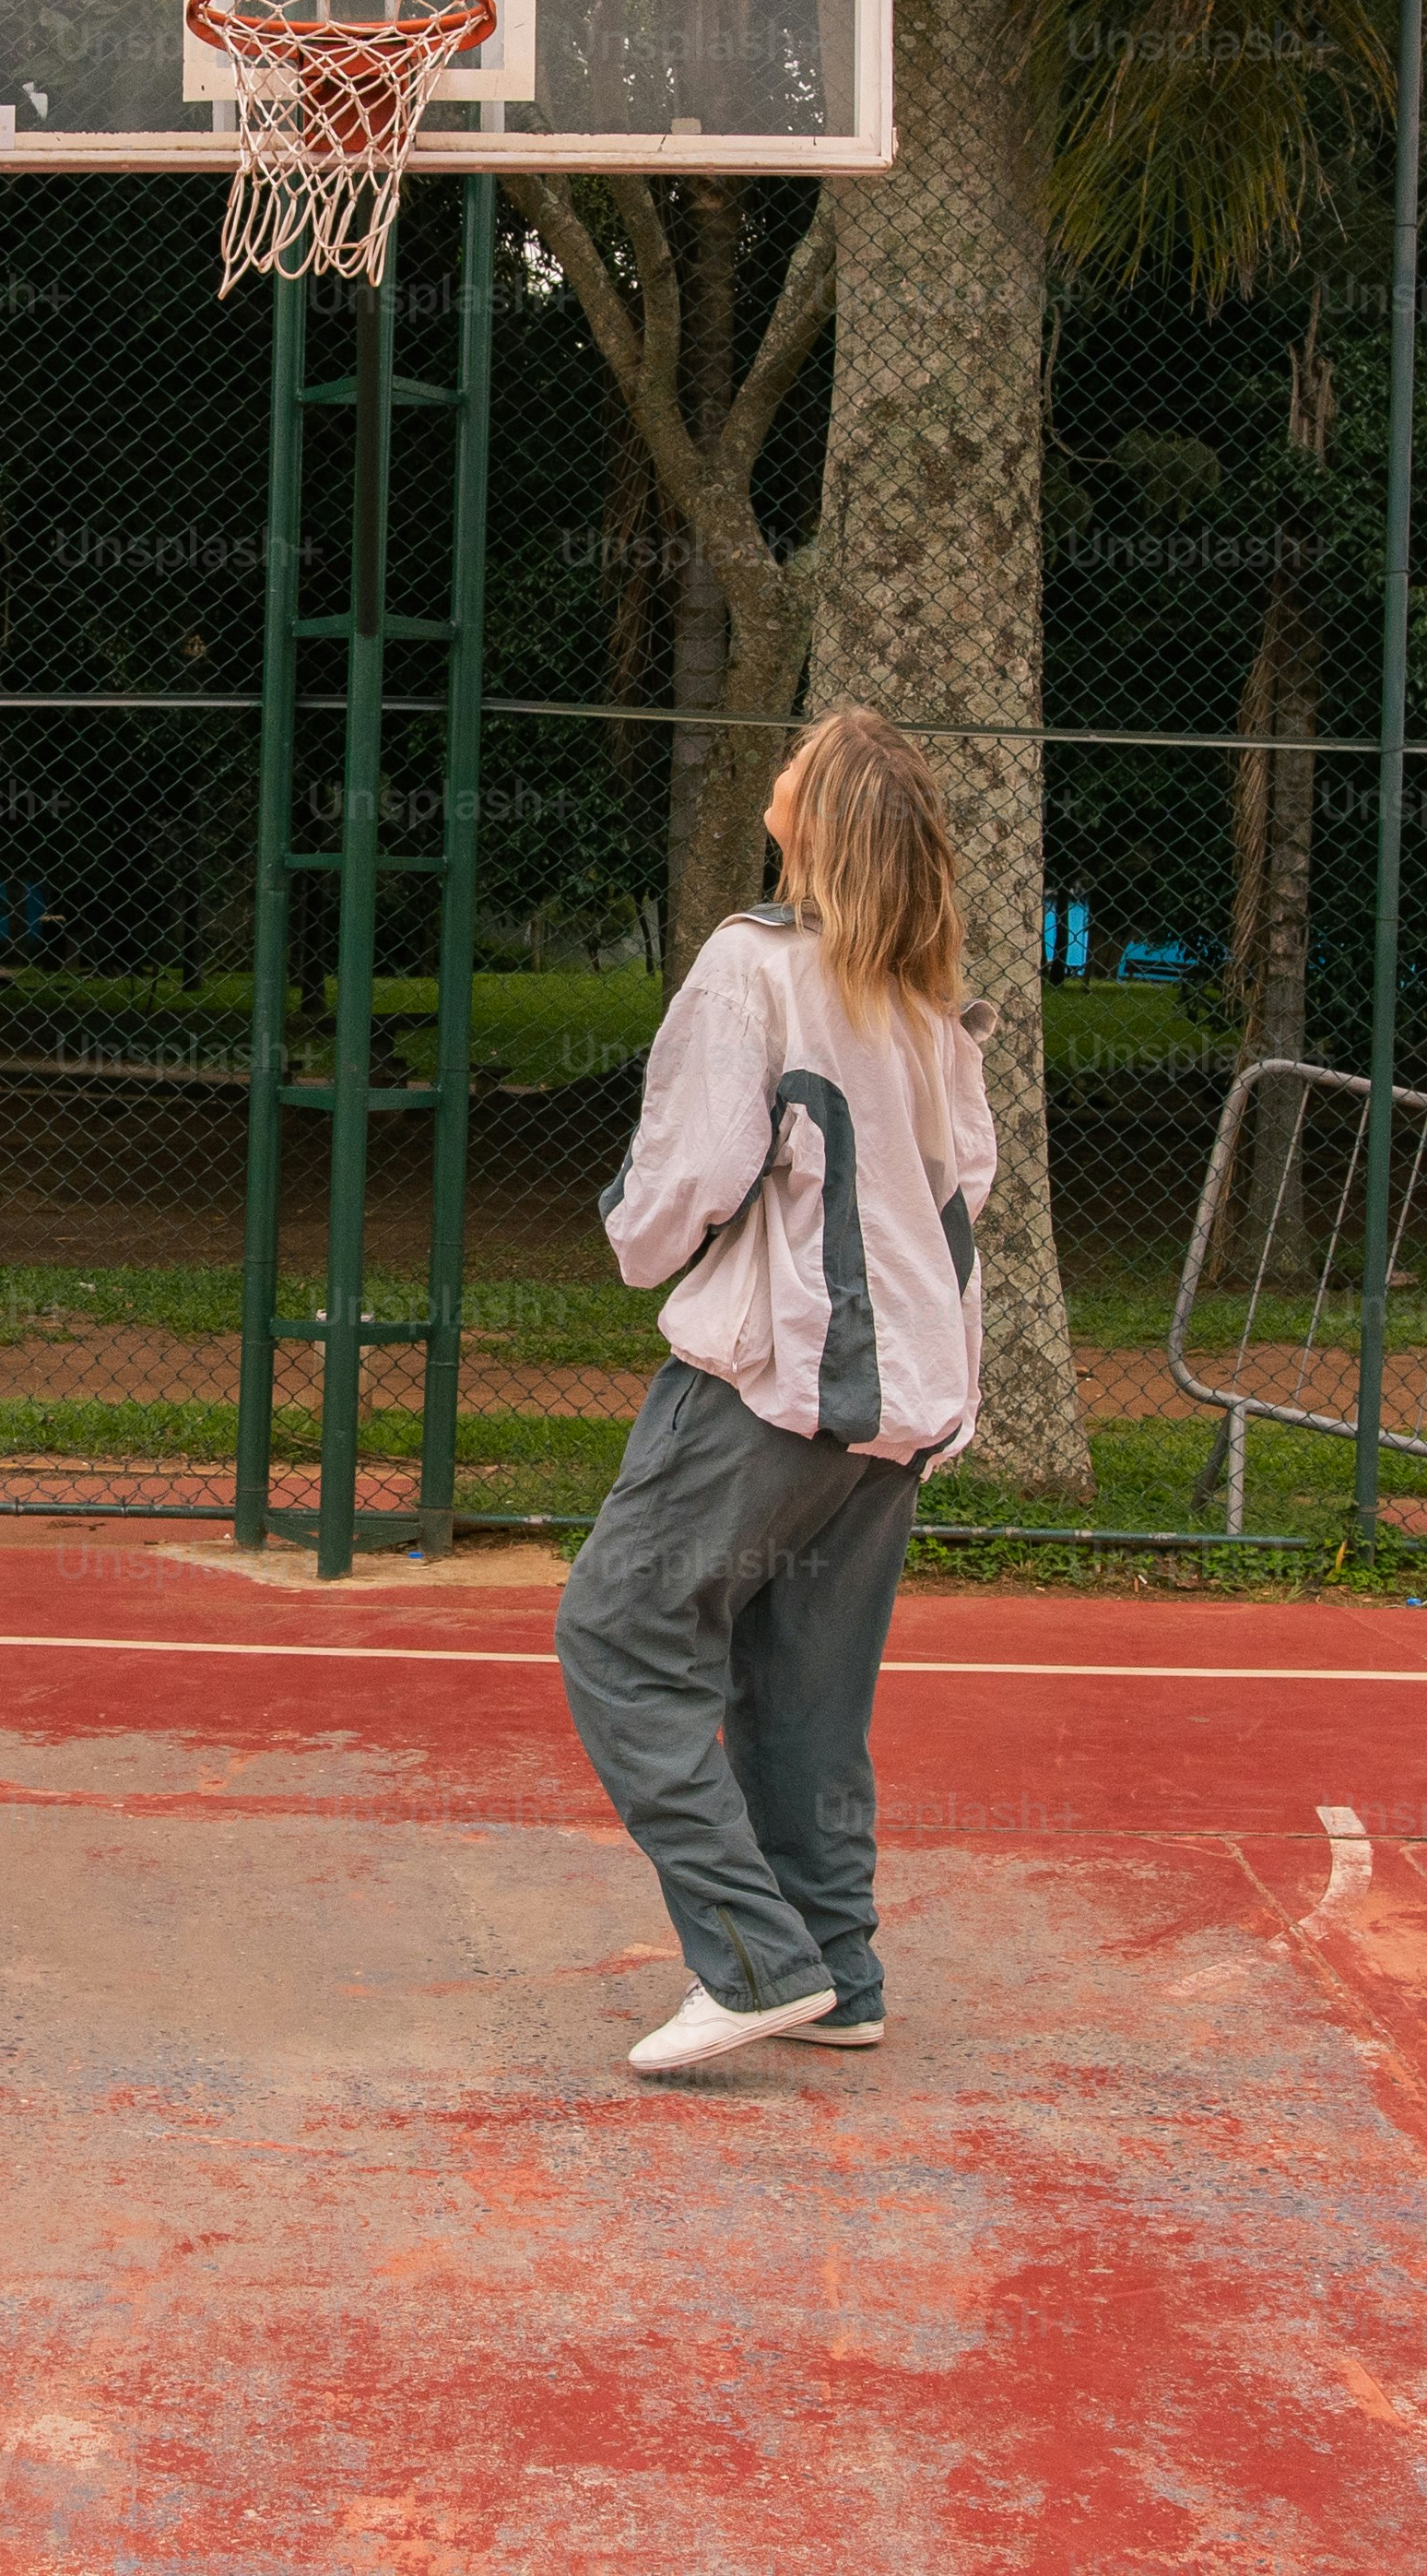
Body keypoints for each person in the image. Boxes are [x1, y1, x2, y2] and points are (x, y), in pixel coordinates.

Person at [556, 706, 998, 2073]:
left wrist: (637, 1235)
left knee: (618, 1636)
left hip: (773, 1382)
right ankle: (837, 1969)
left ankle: (754, 1960)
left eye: (804, 754)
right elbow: (968, 1195)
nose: (784, 761)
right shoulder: (926, 1005)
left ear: (820, 815)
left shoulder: (757, 967)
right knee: (801, 1685)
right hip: (901, 1401)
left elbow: (687, 1169)